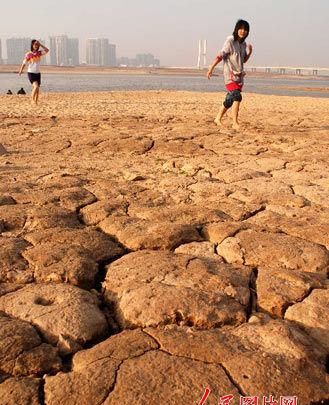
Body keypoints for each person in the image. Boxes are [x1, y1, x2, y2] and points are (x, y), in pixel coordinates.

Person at [207, 19, 253, 129]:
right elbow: (220, 55)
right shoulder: (230, 41)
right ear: (237, 29)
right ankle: (235, 123)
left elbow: (243, 60)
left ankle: (217, 118)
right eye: (241, 29)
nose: (243, 31)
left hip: (239, 77)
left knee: (230, 99)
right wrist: (211, 68)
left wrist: (250, 52)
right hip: (230, 76)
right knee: (237, 96)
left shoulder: (243, 44)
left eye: (245, 30)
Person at [18, 39, 49, 105]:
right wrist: (21, 70)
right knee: (36, 86)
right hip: (31, 73)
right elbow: (24, 63)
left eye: (37, 44)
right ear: (32, 45)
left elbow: (47, 50)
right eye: (35, 44)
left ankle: (36, 102)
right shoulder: (28, 54)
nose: (36, 46)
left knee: (37, 90)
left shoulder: (39, 53)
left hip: (38, 73)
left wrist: (40, 44)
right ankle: (32, 99)